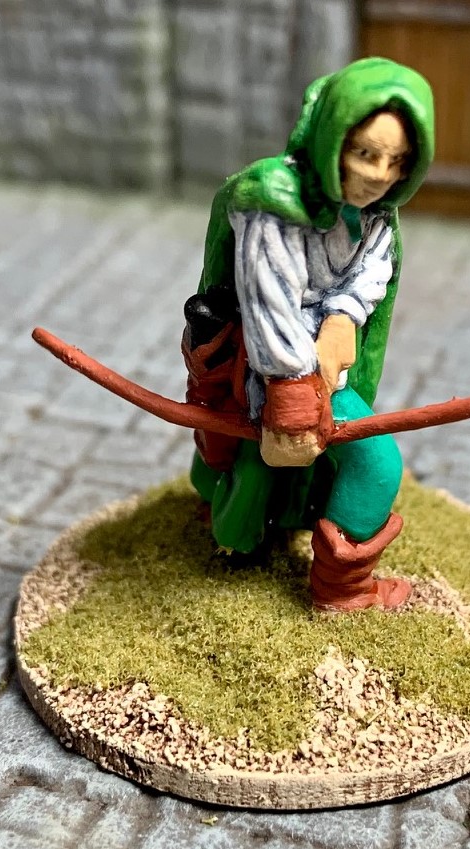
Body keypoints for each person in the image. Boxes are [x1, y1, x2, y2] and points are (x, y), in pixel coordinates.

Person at [182, 57, 435, 612]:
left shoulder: (375, 211)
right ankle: (342, 590)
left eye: (397, 161)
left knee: (276, 464)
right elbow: (267, 296)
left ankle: (252, 525)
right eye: (366, 154)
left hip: (326, 362)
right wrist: (293, 394)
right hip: (272, 367)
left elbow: (374, 266)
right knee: (376, 463)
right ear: (332, 140)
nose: (380, 174)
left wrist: (344, 314)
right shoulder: (274, 201)